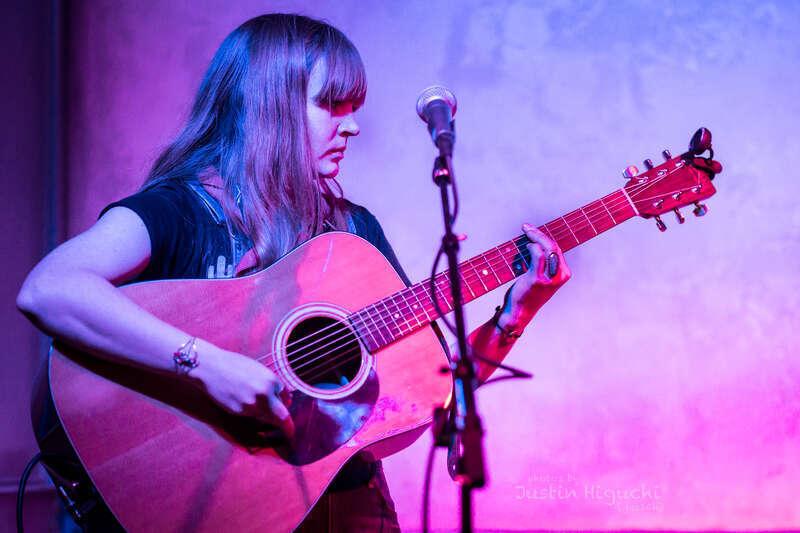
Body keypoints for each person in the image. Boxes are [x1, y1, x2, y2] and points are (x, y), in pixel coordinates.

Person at [17, 13, 570, 532]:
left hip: (351, 509)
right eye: (333, 105)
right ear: (270, 106)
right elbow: (51, 288)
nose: (352, 126)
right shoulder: (179, 211)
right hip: (218, 511)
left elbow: (432, 385)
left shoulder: (352, 231)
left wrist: (515, 314)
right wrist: (208, 366)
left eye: (354, 106)